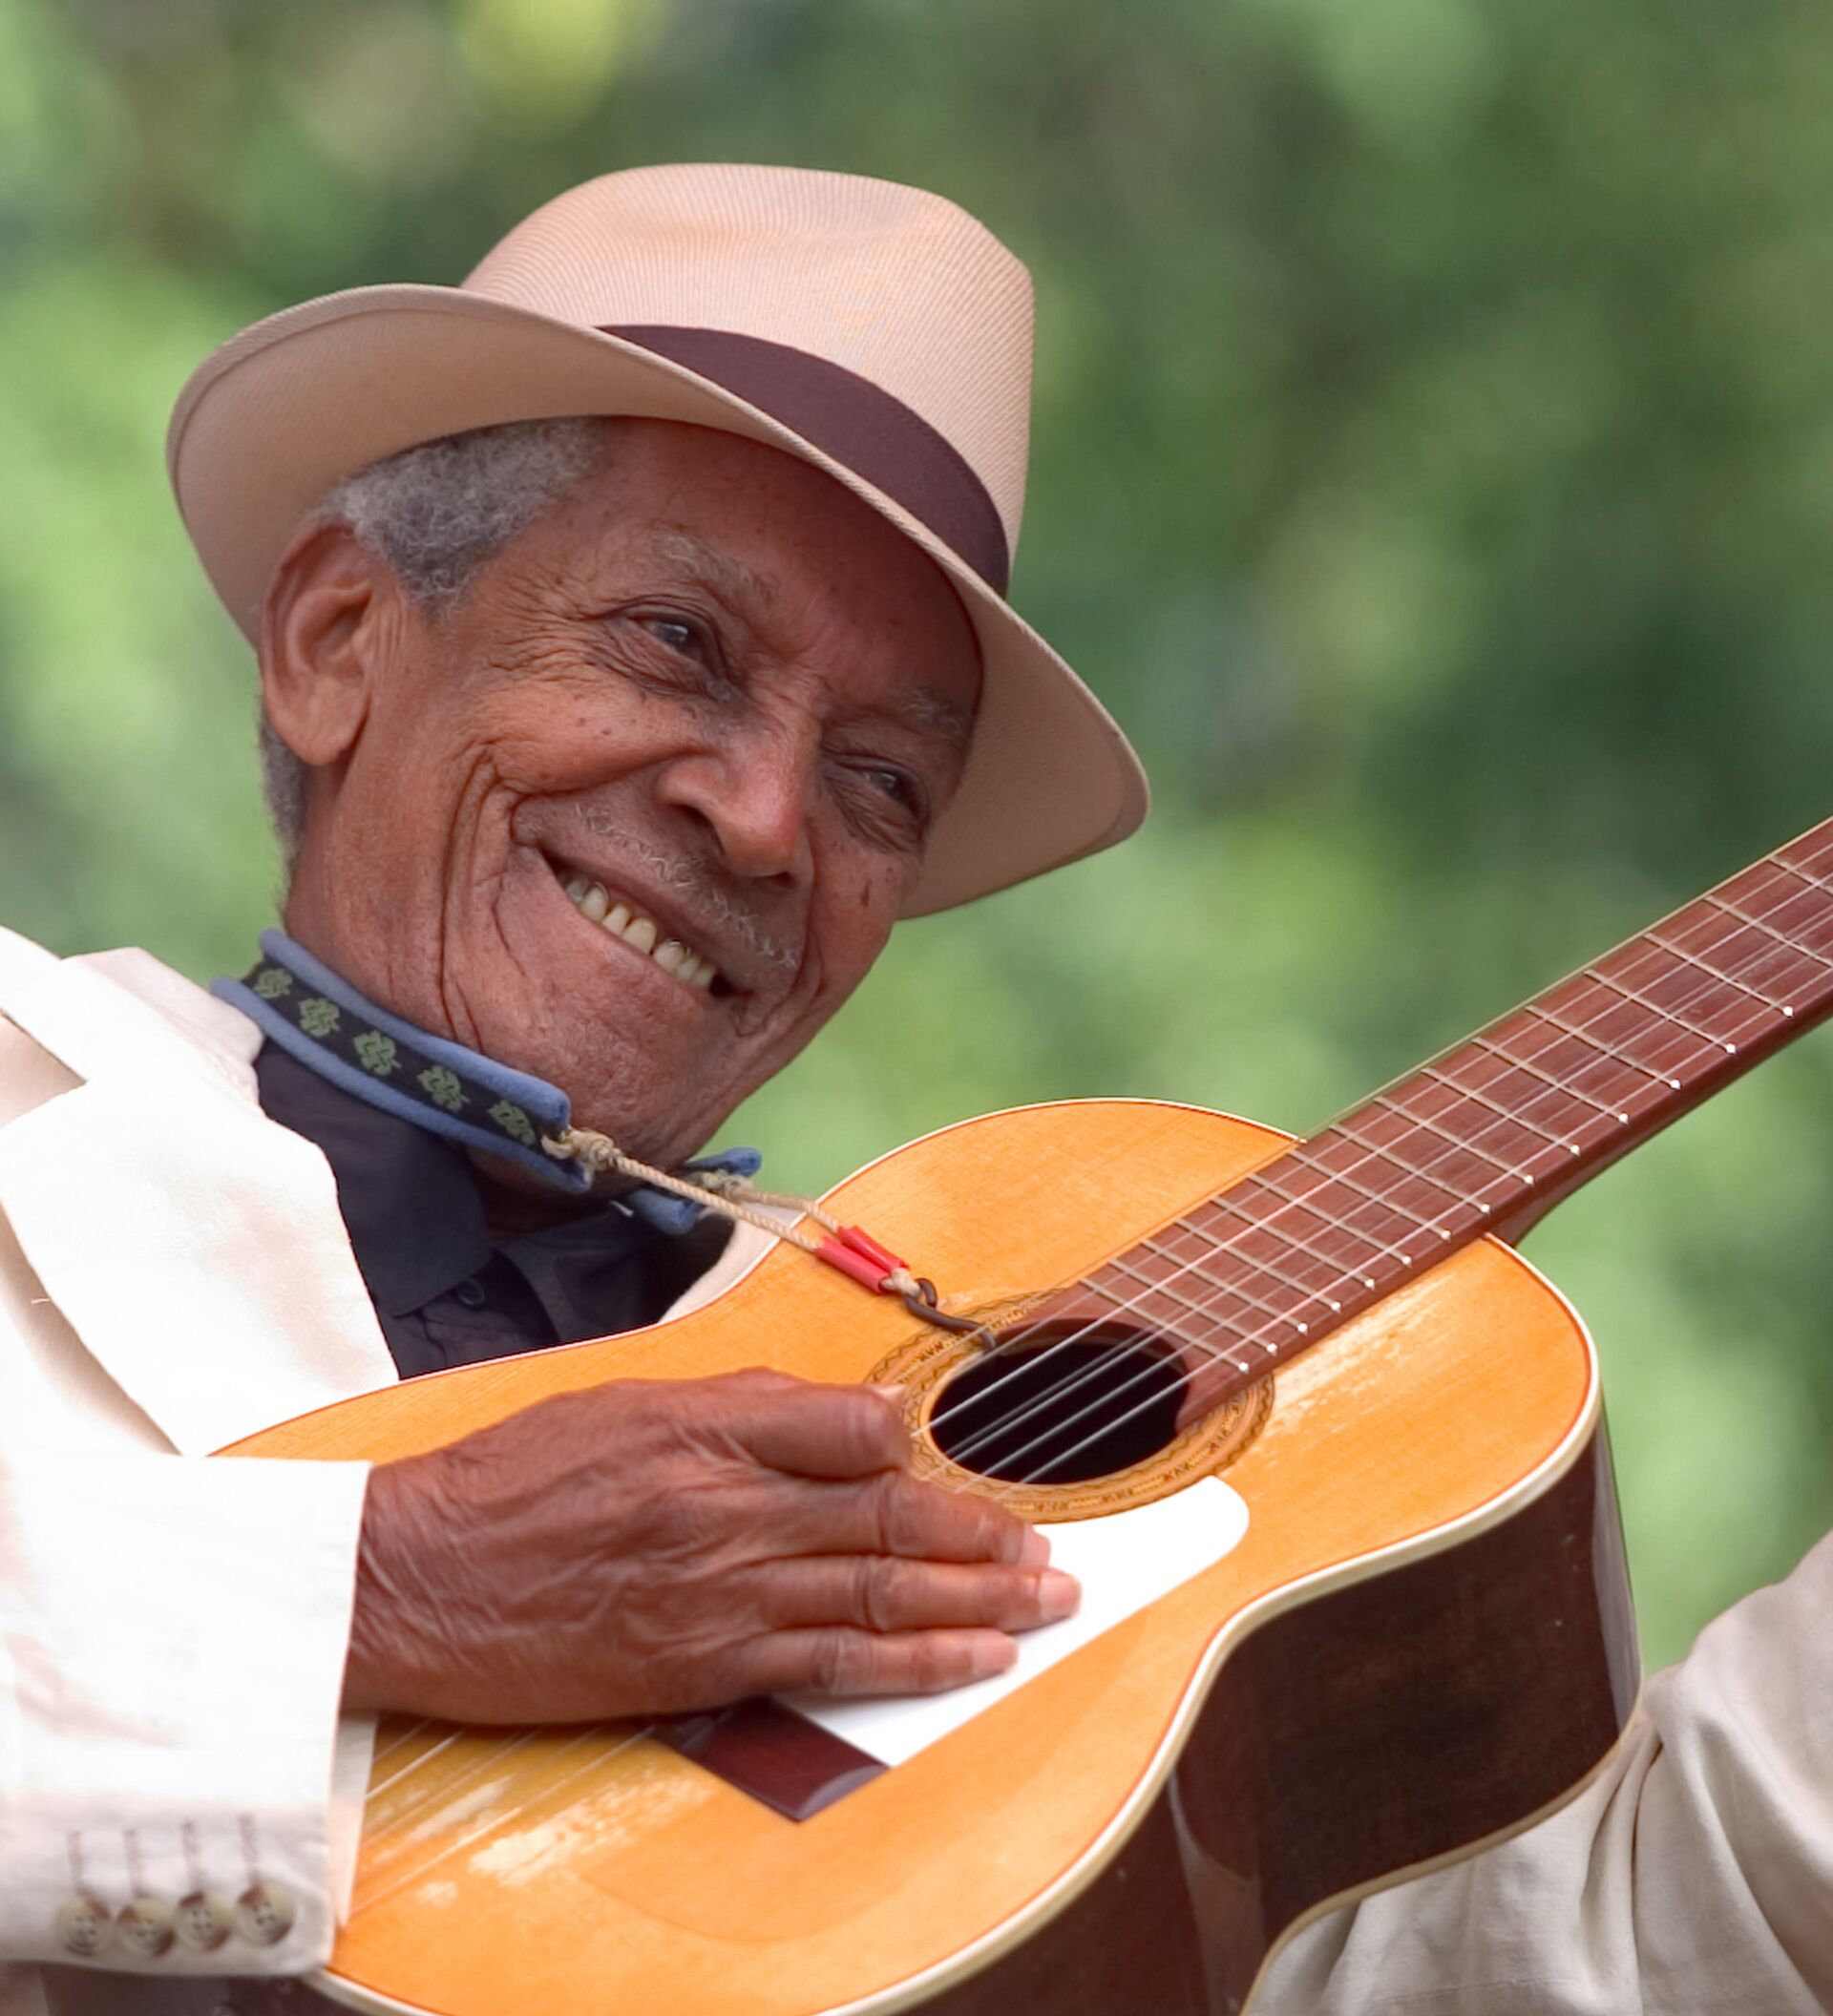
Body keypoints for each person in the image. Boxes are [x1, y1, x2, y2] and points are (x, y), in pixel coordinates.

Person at [2, 162, 1830, 2016]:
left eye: (883, 781)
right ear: (335, 641)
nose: (770, 818)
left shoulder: (943, 1409)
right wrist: (380, 1587)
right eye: (677, 645)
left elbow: (1566, 1964)